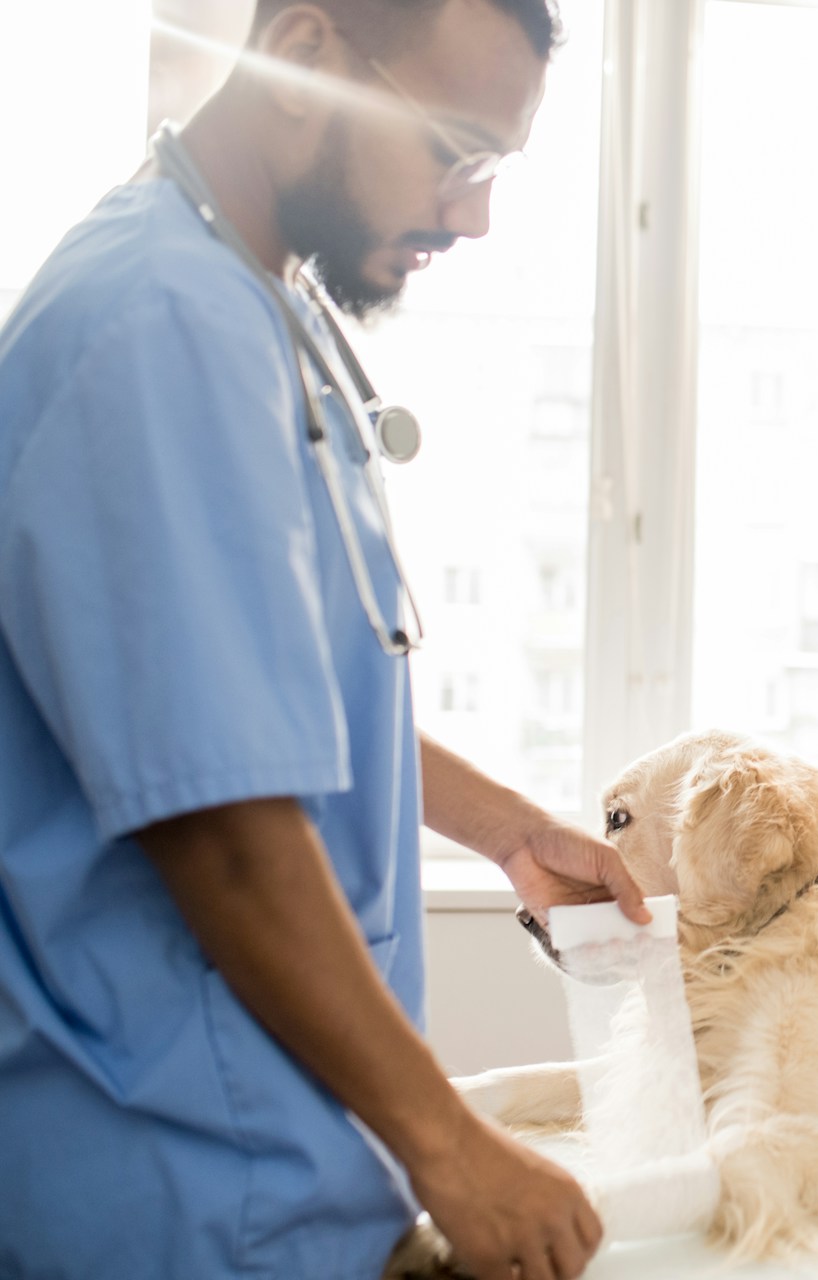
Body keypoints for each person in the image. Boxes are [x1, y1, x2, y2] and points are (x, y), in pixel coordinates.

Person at [0, 3, 644, 1277]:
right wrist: (451, 1145)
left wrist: (506, 828)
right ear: (299, 59)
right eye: (453, 149)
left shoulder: (249, 306)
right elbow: (226, 828)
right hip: (171, 1187)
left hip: (267, 1170)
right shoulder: (157, 322)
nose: (472, 215)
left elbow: (243, 698)